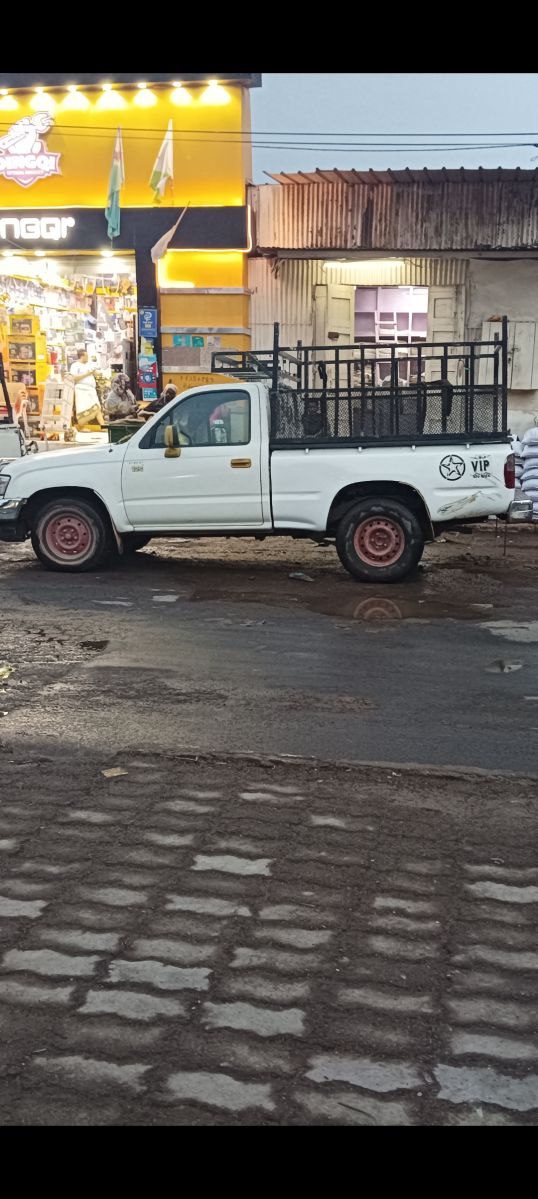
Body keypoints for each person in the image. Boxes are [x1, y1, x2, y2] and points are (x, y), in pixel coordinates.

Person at [70, 349, 106, 428]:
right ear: (82, 356)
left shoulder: (88, 365)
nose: (88, 358)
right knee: (84, 410)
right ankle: (82, 427)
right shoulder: (75, 365)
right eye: (86, 356)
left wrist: (102, 373)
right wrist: (87, 373)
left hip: (91, 390)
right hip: (81, 390)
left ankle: (103, 426)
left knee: (97, 407)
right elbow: (74, 378)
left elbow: (94, 372)